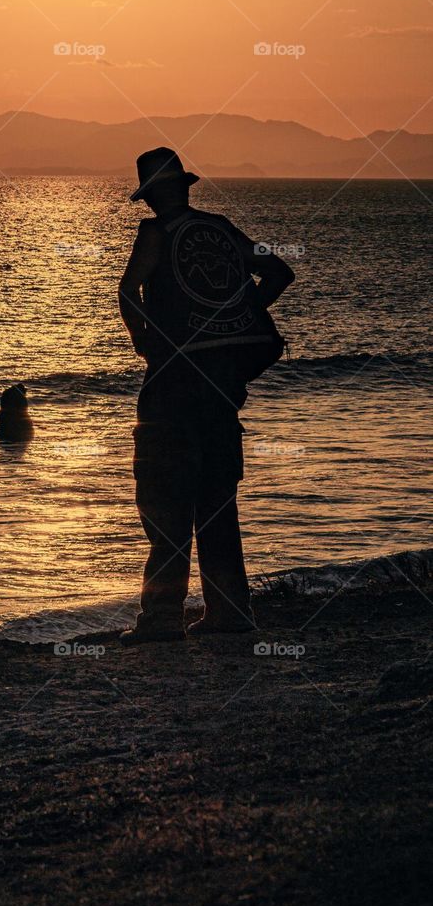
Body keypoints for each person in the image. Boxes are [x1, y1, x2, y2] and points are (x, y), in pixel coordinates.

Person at [118, 147, 295, 644]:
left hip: (173, 384)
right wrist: (237, 310)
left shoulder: (154, 234)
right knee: (217, 501)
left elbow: (129, 291)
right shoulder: (219, 227)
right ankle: (231, 612)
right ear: (185, 188)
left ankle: (162, 619)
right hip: (224, 385)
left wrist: (147, 343)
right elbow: (281, 272)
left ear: (152, 195)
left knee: (165, 499)